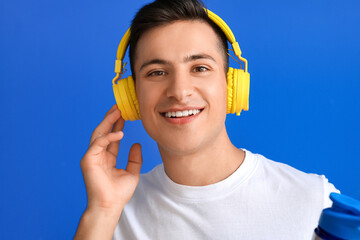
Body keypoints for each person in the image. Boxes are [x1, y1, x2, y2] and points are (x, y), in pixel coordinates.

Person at [74, 0, 338, 239]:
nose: (179, 91)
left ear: (231, 85)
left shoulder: (314, 202)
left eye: (200, 68)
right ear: (132, 98)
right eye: (157, 73)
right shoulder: (113, 212)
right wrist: (102, 211)